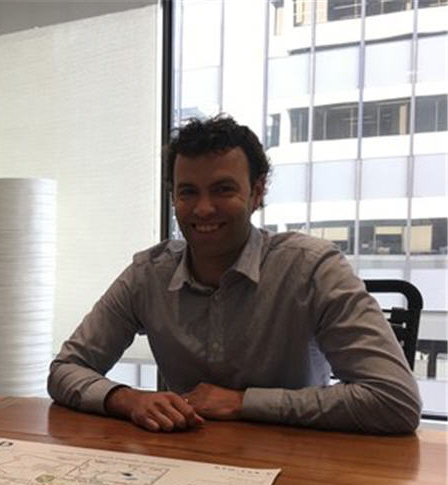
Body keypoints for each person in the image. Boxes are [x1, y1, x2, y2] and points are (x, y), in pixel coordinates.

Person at [48, 115, 421, 435]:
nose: (203, 209)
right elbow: (66, 370)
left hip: (298, 459)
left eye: (223, 190)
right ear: (173, 197)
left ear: (257, 192)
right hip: (185, 458)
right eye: (188, 192)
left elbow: (395, 400)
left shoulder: (313, 269)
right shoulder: (147, 275)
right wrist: (127, 399)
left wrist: (243, 403)